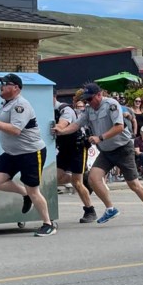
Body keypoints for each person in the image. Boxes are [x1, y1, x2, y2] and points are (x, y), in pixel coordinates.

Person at [56, 82, 143, 227]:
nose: (88, 102)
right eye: (86, 100)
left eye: (90, 99)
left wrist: (100, 138)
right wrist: (61, 131)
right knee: (93, 178)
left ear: (99, 95)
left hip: (122, 149)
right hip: (106, 151)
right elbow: (76, 125)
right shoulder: (88, 110)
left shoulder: (111, 104)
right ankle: (110, 208)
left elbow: (119, 127)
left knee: (133, 184)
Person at [0, 74, 56, 237]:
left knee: (34, 190)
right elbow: (7, 124)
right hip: (13, 153)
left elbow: (16, 130)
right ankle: (24, 194)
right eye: (1, 84)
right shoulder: (6, 104)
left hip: (31, 152)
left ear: (16, 88)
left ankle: (48, 224)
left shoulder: (21, 105)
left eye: (5, 84)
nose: (1, 86)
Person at [52, 95, 97, 223]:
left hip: (77, 147)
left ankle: (90, 210)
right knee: (55, 178)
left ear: (53, 97)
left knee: (77, 183)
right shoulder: (45, 110)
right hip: (63, 149)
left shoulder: (64, 109)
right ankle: (85, 177)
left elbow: (63, 124)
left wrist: (58, 128)